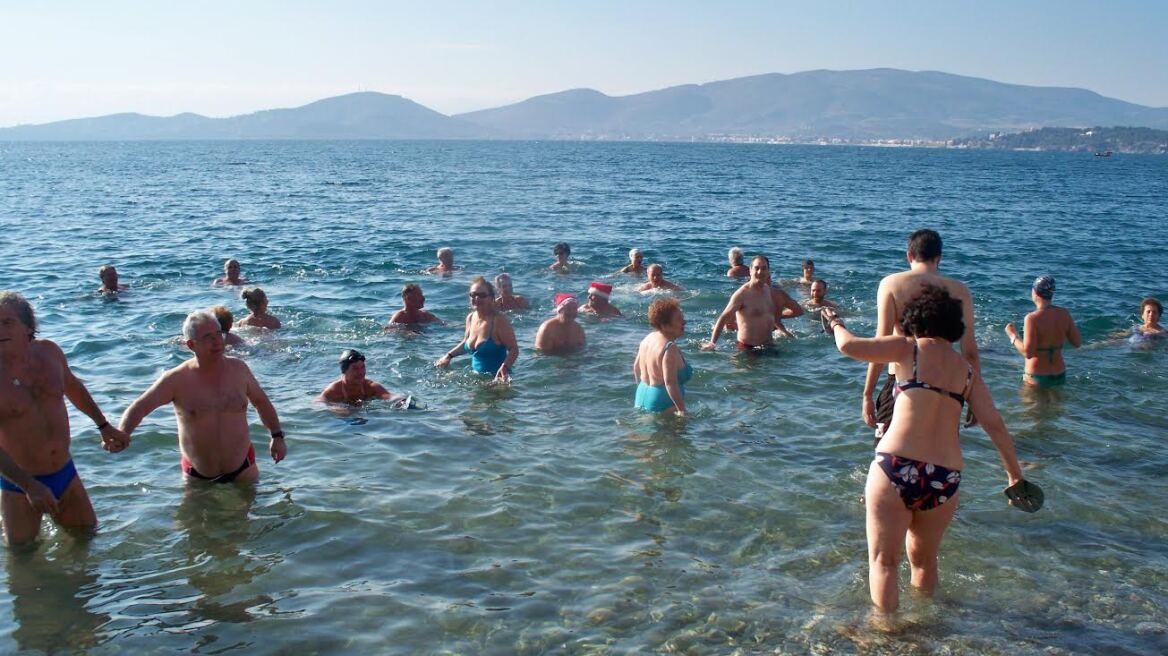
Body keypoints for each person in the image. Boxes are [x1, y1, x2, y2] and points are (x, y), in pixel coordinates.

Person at [822, 286, 1038, 612]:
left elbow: (848, 346)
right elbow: (995, 424)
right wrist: (1013, 475)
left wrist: (834, 321)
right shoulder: (967, 372)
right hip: (944, 478)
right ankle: (925, 628)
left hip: (895, 466)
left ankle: (886, 635)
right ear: (953, 325)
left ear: (915, 319)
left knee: (884, 562)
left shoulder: (908, 349)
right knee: (924, 563)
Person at [0, 292, 130, 544]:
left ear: (28, 327)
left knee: (87, 541)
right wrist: (29, 486)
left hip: (65, 473)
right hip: (18, 484)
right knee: (24, 561)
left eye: (7, 322)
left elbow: (72, 387)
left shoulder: (49, 353)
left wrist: (103, 425)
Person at [119, 310, 286, 484]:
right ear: (191, 345)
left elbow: (261, 402)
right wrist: (123, 433)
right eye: (207, 337)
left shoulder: (239, 369)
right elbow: (140, 407)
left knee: (248, 509)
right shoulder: (176, 379)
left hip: (243, 467)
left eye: (218, 334)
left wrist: (277, 437)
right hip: (198, 474)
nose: (216, 341)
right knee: (196, 511)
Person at [863, 229, 979, 436]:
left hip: (901, 380)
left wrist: (867, 394)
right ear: (939, 258)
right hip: (945, 383)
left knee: (888, 453)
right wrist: (975, 398)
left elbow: (881, 345)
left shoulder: (891, 284)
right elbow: (970, 352)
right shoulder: (961, 290)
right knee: (936, 450)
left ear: (909, 255)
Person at [435, 277, 519, 382]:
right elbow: (465, 343)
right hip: (476, 380)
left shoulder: (498, 321)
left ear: (491, 298)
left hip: (497, 382)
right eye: (473, 295)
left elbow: (514, 349)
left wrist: (505, 367)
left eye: (482, 295)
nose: (477, 298)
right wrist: (448, 356)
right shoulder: (470, 318)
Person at [1004, 275, 1082, 387]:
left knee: (1031, 405)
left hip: (1037, 376)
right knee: (1057, 404)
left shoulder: (1032, 318)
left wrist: (1013, 335)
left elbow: (1028, 353)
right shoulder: (1064, 313)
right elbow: (1077, 343)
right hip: (1059, 374)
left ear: (1035, 292)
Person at [704, 255, 779, 351]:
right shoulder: (742, 294)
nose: (760, 272)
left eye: (764, 268)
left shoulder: (767, 290)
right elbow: (723, 317)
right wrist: (712, 343)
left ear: (768, 271)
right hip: (748, 349)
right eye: (756, 268)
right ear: (750, 271)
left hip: (769, 346)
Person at [633, 298, 691, 415]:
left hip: (641, 394)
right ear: (665, 325)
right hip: (662, 401)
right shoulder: (669, 347)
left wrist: (644, 390)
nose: (684, 322)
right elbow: (670, 382)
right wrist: (682, 410)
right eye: (679, 319)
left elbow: (636, 367)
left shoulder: (647, 339)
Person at [318, 349, 410, 406]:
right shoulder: (335, 390)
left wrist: (401, 400)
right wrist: (335, 409)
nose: (360, 372)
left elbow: (389, 397)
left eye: (362, 367)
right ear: (344, 371)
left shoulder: (371, 387)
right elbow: (318, 402)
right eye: (355, 368)